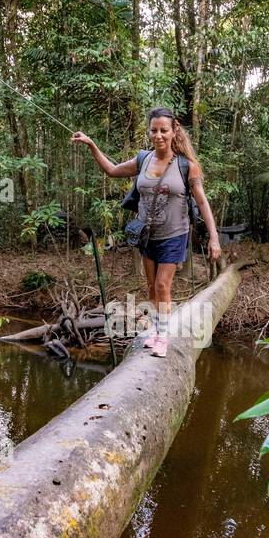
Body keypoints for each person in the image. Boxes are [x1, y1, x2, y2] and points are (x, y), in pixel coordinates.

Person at [72, 108, 221, 358]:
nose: (159, 135)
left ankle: (163, 337)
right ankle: (156, 329)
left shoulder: (187, 167)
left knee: (163, 284)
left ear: (174, 131)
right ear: (149, 132)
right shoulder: (143, 159)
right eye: (154, 130)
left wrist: (214, 238)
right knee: (151, 287)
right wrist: (92, 145)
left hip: (175, 234)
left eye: (164, 130)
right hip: (146, 235)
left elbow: (203, 203)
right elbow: (111, 170)